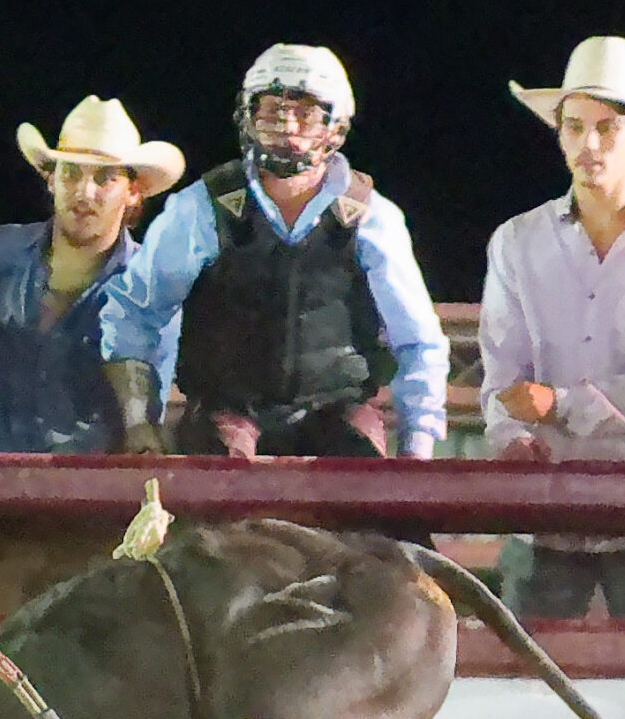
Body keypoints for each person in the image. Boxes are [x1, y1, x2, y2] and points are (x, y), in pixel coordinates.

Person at [101, 45, 449, 471]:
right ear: (248, 116)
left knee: (387, 528)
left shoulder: (373, 218)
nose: (287, 126)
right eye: (272, 110)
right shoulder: (201, 208)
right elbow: (137, 312)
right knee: (204, 518)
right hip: (224, 418)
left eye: (304, 113)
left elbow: (417, 340)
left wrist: (417, 444)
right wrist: (139, 422)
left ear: (335, 127)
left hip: (337, 418)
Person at [0, 97, 183, 623]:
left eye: (104, 178)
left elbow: (139, 371)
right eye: (72, 174)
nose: (85, 192)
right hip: (0, 515)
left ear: (132, 193)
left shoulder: (149, 286)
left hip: (98, 520)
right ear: (50, 180)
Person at [483, 37, 625, 620]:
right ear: (559, 133)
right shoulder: (515, 242)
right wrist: (511, 437)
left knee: (571, 685)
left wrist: (554, 405)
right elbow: (502, 378)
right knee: (547, 689)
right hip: (551, 512)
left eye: (606, 127)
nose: (588, 145)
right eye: (574, 127)